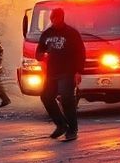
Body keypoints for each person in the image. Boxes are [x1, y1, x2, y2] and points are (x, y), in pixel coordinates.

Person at [35, 8, 85, 141]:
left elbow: (80, 52)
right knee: (46, 96)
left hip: (67, 72)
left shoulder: (71, 33)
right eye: (52, 19)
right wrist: (42, 55)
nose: (53, 21)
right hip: (52, 73)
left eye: (55, 18)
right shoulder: (47, 34)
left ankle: (72, 130)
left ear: (61, 18)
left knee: (67, 98)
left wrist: (79, 71)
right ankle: (61, 125)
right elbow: (38, 52)